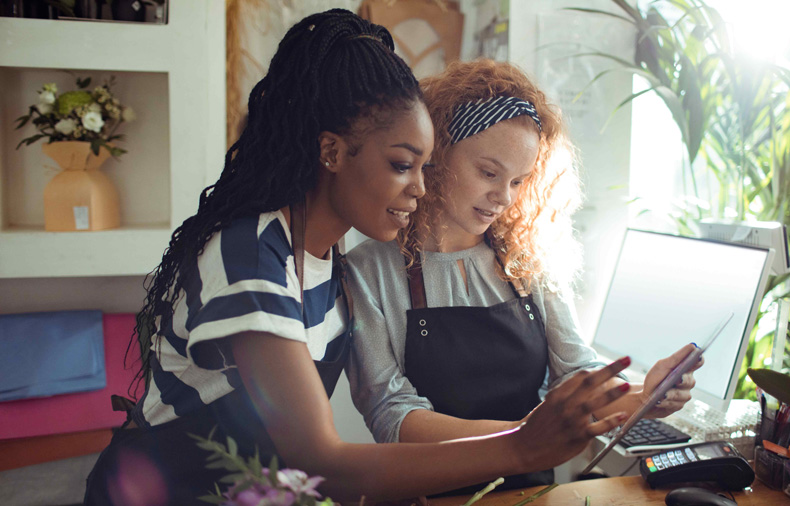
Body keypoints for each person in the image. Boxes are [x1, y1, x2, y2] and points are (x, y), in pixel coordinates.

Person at [84, 10, 633, 505]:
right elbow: (323, 463)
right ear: (331, 152)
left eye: (424, 166)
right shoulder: (250, 255)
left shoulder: (325, 257)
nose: (421, 188)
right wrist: (519, 447)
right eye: (402, 164)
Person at [346, 59, 703, 495]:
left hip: (530, 494)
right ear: (437, 154)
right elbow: (393, 415)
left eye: (519, 180)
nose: (504, 197)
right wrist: (520, 438)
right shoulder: (368, 268)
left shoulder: (527, 259)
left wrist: (646, 396)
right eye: (489, 173)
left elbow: (576, 375)